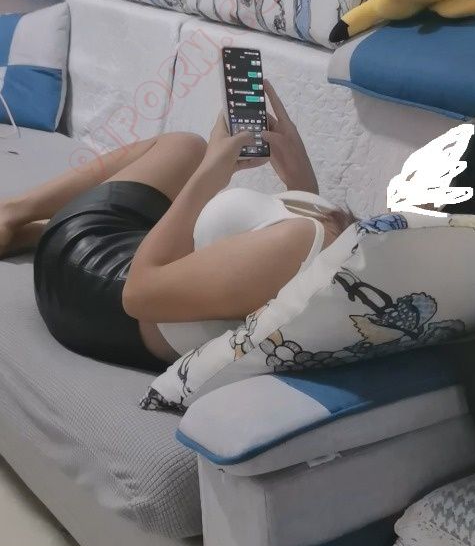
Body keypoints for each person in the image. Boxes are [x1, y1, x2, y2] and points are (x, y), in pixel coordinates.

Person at [0, 82, 351, 370]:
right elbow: (298, 270)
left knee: (186, 149)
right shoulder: (334, 250)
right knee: (186, 146)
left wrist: (211, 173)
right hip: (136, 252)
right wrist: (299, 175)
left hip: (83, 270)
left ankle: (14, 212)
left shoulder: (295, 244)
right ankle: (29, 225)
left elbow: (136, 295)